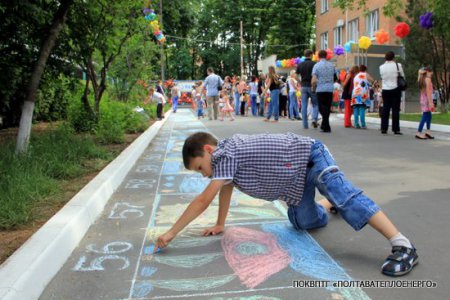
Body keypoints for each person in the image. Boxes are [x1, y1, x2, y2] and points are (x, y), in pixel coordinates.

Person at [155, 132, 419, 277]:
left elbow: (204, 199)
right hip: (296, 179)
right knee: (301, 222)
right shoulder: (225, 165)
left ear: (209, 151)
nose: (205, 175)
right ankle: (327, 203)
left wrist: (171, 233)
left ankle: (402, 244)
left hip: (312, 158)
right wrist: (221, 223)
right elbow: (225, 190)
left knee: (345, 195)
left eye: (201, 168)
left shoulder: (226, 152)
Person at [379, 51, 405, 135]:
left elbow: (382, 77)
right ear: (394, 57)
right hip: (396, 89)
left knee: (385, 109)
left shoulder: (381, 67)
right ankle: (396, 129)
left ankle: (384, 128)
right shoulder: (398, 65)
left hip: (385, 89)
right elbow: (402, 76)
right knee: (395, 110)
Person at [312, 50, 337, 133]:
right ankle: (324, 125)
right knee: (327, 107)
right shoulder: (332, 65)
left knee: (322, 108)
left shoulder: (316, 66)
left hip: (320, 89)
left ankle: (326, 126)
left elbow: (314, 80)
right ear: (326, 56)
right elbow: (335, 77)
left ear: (318, 56)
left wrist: (313, 87)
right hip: (329, 89)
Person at [297, 49, 319, 129]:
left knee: (304, 105)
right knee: (315, 104)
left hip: (303, 86)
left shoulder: (300, 64)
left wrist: (300, 82)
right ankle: (314, 119)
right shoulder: (314, 64)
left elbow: (296, 75)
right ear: (311, 55)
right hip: (312, 86)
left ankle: (305, 125)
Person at [351, 65, 374, 129]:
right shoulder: (365, 74)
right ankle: (363, 125)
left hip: (355, 93)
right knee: (361, 108)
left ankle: (356, 124)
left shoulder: (356, 76)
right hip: (362, 94)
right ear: (365, 70)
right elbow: (372, 80)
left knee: (356, 109)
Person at [416, 67, 435, 140]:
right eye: (431, 72)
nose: (432, 73)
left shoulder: (421, 78)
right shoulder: (428, 79)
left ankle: (428, 131)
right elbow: (428, 92)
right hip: (427, 99)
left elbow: (419, 71)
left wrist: (419, 72)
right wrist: (431, 102)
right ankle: (418, 132)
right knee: (425, 115)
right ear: (428, 72)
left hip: (423, 99)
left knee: (429, 115)